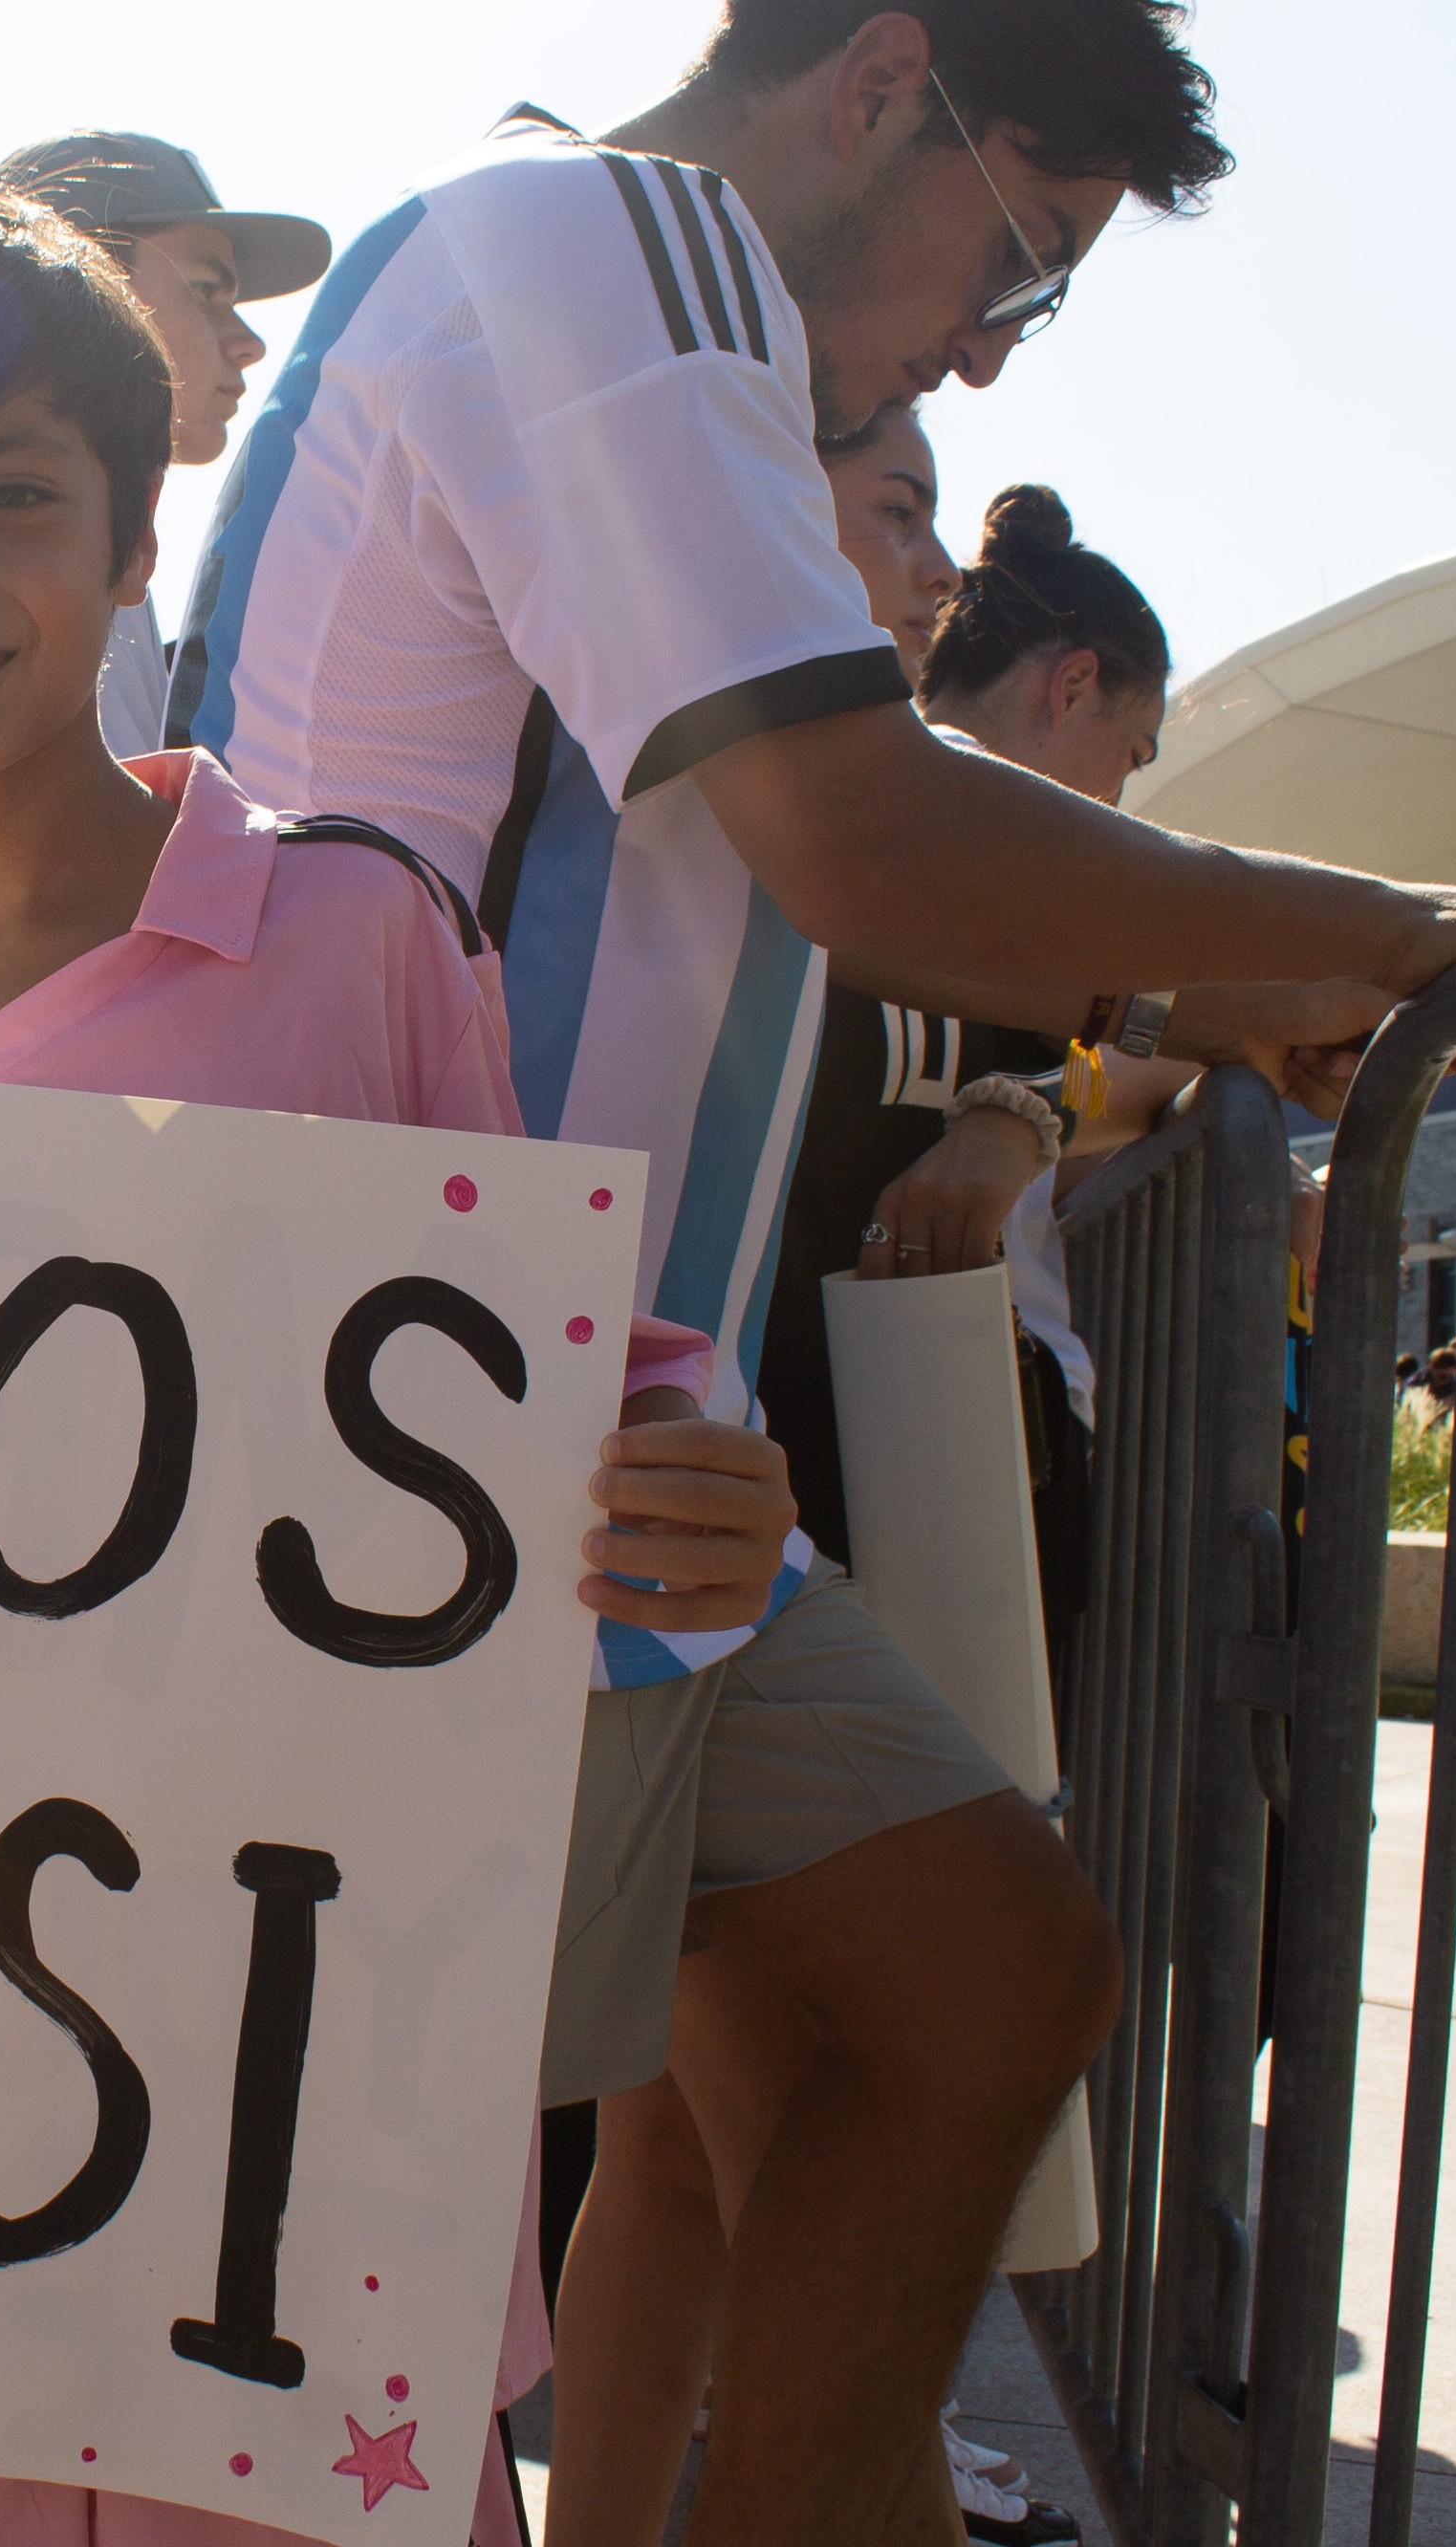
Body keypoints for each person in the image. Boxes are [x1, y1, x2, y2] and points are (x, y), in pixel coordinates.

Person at [173, 8, 1456, 2536]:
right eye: (1020, 266)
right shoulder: (619, 246)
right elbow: (855, 828)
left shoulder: (567, 268)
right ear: (884, 81)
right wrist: (1377, 937)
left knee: (874, 2042)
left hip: (556, 1405)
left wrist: (1202, 988)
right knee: (443, 2243)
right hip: (435, 1414)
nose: (975, 347)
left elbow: (787, 870)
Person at [0, 189, 796, 2547]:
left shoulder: (350, 932)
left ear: (129, 516)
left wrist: (687, 1463)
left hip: (308, 2102)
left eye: (2, 494)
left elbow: (559, 1365)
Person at [563, 461, 1195, 2547]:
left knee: (713, 2144)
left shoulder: (927, 824)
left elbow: (1115, 1034)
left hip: (884, 1517)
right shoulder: (744, 792)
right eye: (884, 495)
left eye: (936, 518)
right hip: (732, 1504)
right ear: (738, 488)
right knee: (762, 2136)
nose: (927, 567)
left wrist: (1017, 1119)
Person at [0, 131, 331, 754]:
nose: (249, 341)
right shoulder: (36, 554)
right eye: (205, 290)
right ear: (80, 292)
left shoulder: (83, 535)